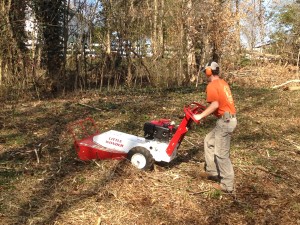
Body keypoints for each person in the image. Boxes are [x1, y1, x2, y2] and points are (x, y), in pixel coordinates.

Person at [194, 61, 237, 193]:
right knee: (209, 140)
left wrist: (200, 116)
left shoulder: (212, 85)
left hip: (225, 122)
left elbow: (215, 105)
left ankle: (227, 185)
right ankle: (212, 171)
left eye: (205, 71)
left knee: (221, 154)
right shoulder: (223, 83)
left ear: (209, 72)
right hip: (226, 120)